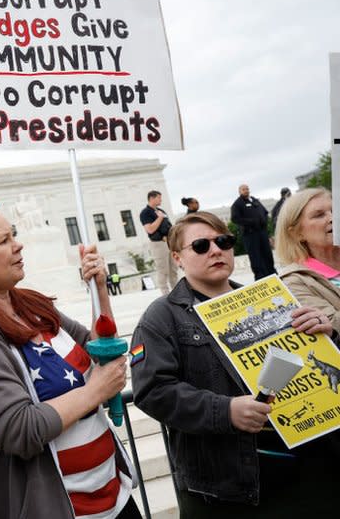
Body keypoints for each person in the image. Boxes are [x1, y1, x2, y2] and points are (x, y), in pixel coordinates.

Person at [0, 167, 138, 518]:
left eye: (13, 234)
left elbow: (99, 348)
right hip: (61, 509)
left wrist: (100, 290)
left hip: (113, 496)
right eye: (3, 241)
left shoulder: (31, 305)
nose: (18, 244)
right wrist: (94, 391)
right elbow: (18, 430)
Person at [130, 212, 336, 517]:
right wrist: (225, 411)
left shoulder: (272, 299)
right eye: (200, 245)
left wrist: (327, 333)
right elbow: (153, 391)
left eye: (224, 241)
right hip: (229, 488)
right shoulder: (161, 318)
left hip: (310, 468)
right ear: (177, 257)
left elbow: (317, 366)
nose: (216, 250)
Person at [276, 188, 340, 333]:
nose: (332, 218)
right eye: (319, 215)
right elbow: (333, 327)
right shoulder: (294, 282)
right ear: (296, 233)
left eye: (335, 211)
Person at [230, 183, 276, 279]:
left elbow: (265, 212)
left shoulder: (254, 200)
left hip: (262, 232)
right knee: (255, 255)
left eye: (247, 189)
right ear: (239, 191)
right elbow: (235, 219)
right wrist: (251, 222)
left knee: (267, 252)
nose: (246, 190)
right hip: (250, 234)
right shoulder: (237, 204)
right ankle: (260, 276)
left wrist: (264, 220)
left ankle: (272, 272)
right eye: (243, 189)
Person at [140, 190, 179, 294]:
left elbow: (168, 226)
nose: (161, 200)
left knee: (173, 270)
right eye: (159, 198)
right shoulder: (145, 213)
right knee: (163, 270)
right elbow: (150, 229)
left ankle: (177, 292)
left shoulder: (161, 211)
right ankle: (165, 294)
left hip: (169, 242)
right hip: (158, 243)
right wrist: (160, 218)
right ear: (152, 198)